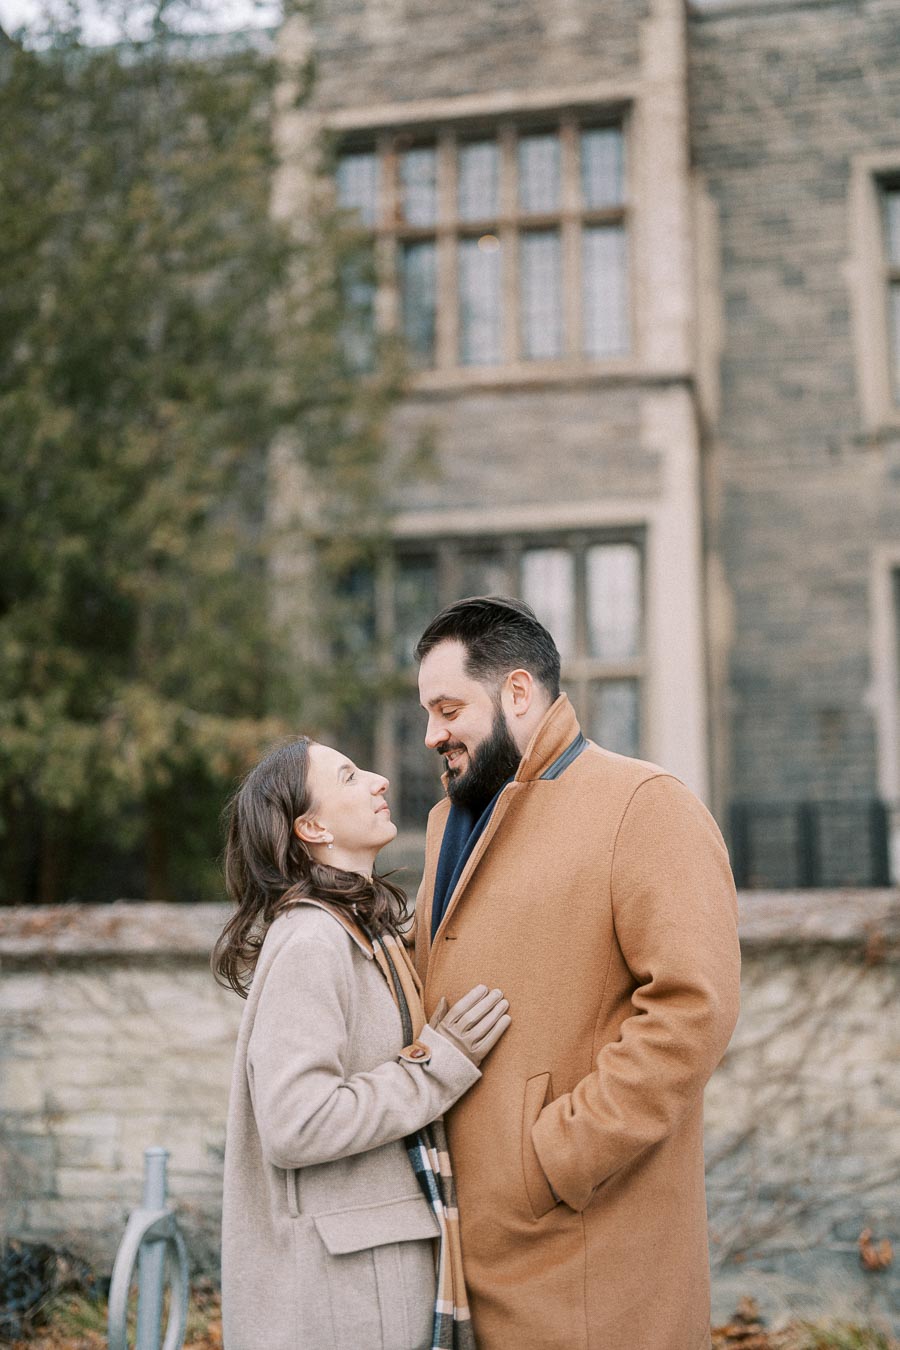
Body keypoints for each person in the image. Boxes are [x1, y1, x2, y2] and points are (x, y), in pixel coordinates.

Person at [412, 596, 742, 1350]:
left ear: (518, 692)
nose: (433, 734)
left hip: (585, 1254)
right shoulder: (446, 822)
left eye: (448, 707)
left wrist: (557, 1156)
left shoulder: (643, 804)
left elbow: (694, 1006)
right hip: (468, 1255)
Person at [213, 736, 510, 1350]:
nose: (378, 780)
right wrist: (437, 1066)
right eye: (348, 777)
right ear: (312, 826)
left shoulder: (360, 932)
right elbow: (297, 1123)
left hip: (370, 1273)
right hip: (344, 1296)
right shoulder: (311, 941)